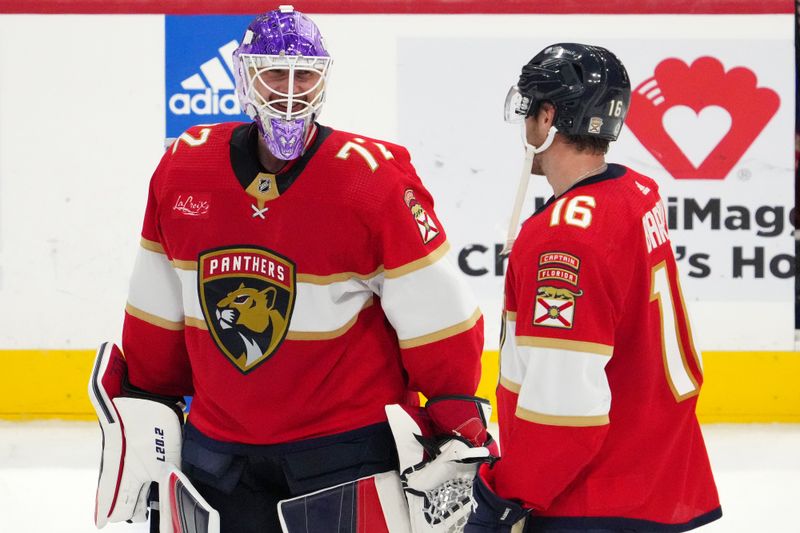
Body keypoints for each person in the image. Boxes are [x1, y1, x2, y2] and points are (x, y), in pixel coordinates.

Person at [89, 6, 485, 532]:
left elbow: (438, 315)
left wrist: (453, 411)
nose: (290, 90)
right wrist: (149, 399)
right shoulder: (185, 169)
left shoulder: (372, 181)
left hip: (345, 456)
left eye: (306, 75)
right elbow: (155, 306)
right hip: (221, 457)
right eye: (275, 72)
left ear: (324, 79)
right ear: (245, 75)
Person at [466, 43, 722, 532]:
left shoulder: (563, 238)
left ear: (547, 117)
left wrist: (509, 494)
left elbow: (565, 406)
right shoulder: (636, 192)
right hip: (654, 481)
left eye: (530, 108)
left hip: (592, 500)